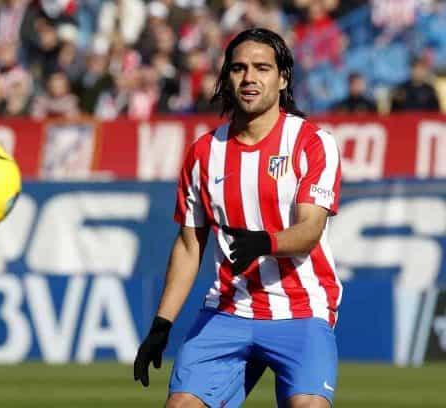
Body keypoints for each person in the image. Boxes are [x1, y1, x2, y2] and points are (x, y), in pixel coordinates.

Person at [133, 27, 342, 408]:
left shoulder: (312, 143)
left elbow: (310, 229)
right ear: (227, 77)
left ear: (283, 78)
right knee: (180, 405)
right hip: (228, 311)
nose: (249, 77)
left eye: (262, 68)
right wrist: (161, 325)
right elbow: (188, 244)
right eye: (239, 68)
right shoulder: (204, 152)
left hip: (301, 311)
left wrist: (265, 242)